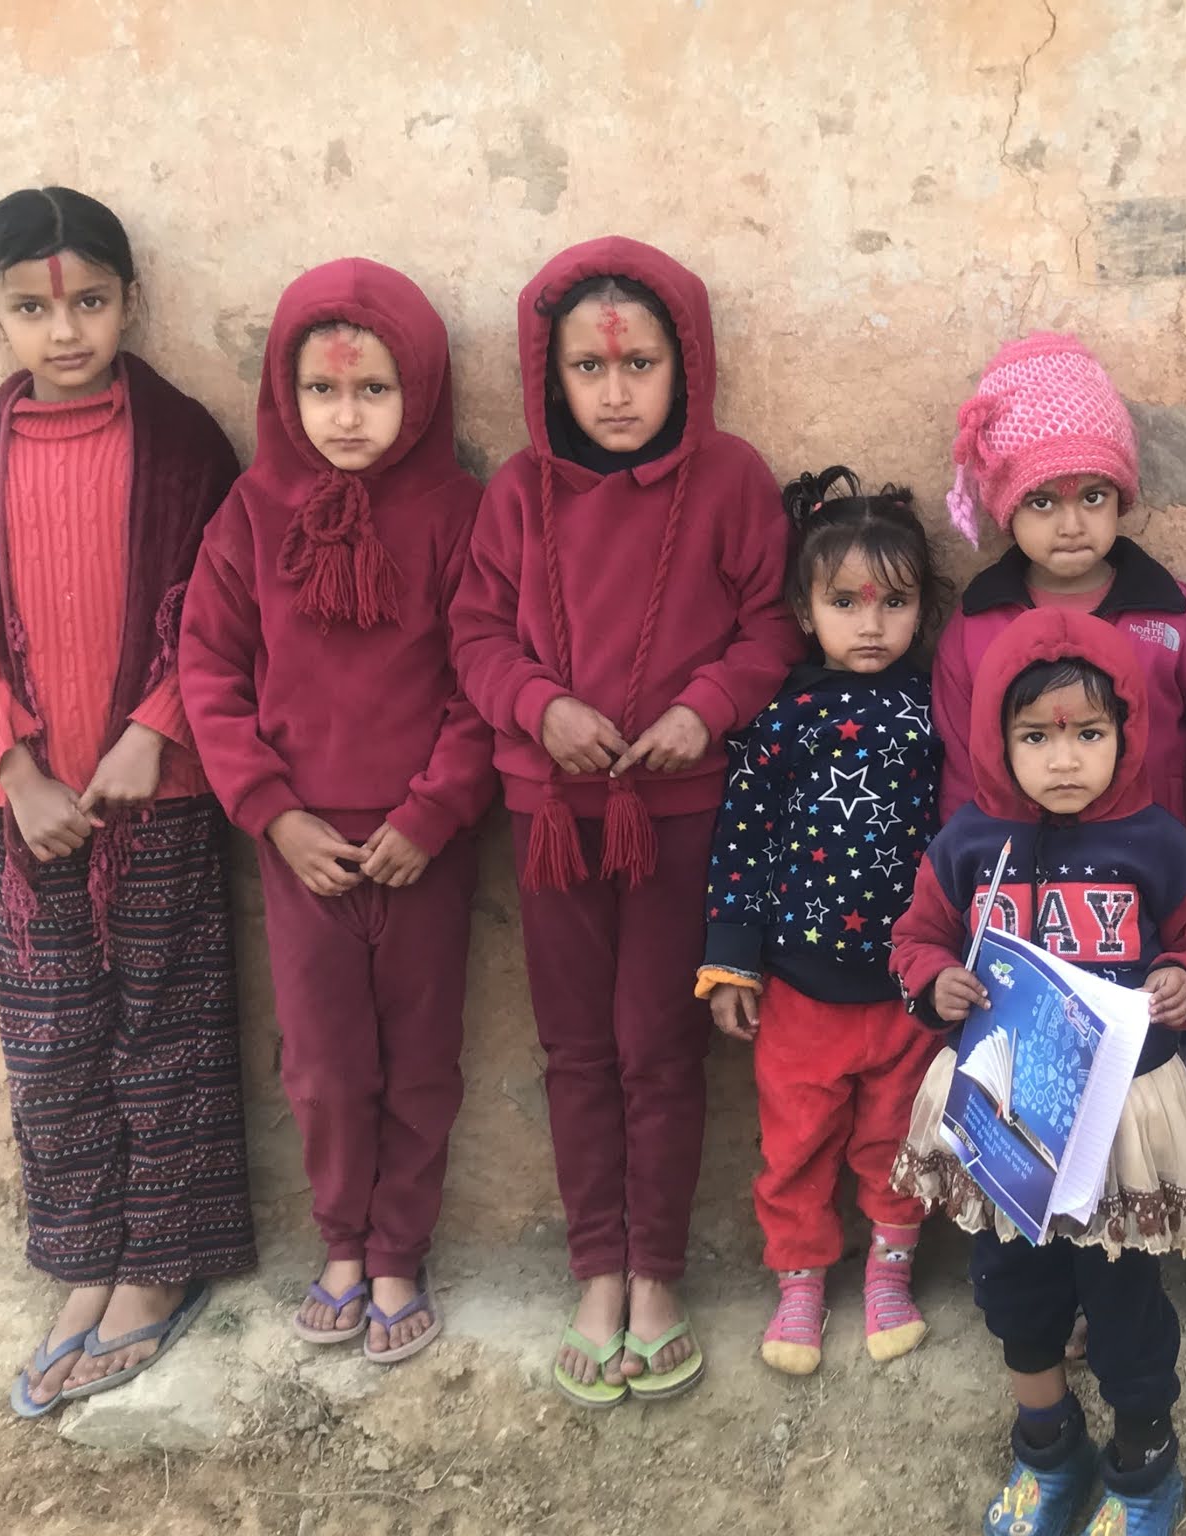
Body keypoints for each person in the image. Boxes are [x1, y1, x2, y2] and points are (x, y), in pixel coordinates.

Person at [450, 236, 801, 1407]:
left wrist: (706, 711)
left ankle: (656, 1275)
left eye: (639, 365)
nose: (613, 393)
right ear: (548, 375)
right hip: (553, 813)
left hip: (680, 813)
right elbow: (475, 634)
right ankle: (594, 1269)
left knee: (659, 1046)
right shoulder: (516, 493)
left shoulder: (732, 481)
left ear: (684, 364)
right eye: (588, 369)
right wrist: (537, 708)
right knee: (575, 1049)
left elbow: (770, 625)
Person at [181, 258, 495, 1363]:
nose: (346, 416)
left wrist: (432, 813)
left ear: (422, 391)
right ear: (286, 392)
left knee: (421, 1058)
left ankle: (400, 1250)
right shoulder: (251, 514)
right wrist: (273, 814)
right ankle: (343, 1247)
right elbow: (208, 671)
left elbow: (480, 674)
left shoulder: (457, 514)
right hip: (300, 845)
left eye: (373, 390)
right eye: (321, 390)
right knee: (322, 1065)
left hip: (422, 845)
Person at [0, 187, 253, 1416]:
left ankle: (159, 1267)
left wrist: (157, 729)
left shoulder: (186, 444)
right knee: (51, 1044)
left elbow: (219, 607)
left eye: (90, 301)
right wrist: (13, 768)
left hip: (162, 792)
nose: (65, 330)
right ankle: (85, 1258)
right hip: (31, 805)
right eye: (32, 309)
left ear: (130, 301)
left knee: (165, 1029)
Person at [891, 607, 1186, 1536]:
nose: (1062, 760)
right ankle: (1048, 1452)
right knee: (1013, 1286)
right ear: (993, 739)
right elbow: (915, 938)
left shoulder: (1155, 841)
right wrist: (935, 981)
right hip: (1006, 1111)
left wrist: (1185, 978)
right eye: (1035, 737)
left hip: (1118, 1118)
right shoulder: (969, 844)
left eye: (1088, 734)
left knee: (1122, 1295)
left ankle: (1144, 1469)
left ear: (1127, 731)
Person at [695, 465, 946, 1374]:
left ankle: (889, 1273)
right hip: (799, 989)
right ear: (805, 611)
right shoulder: (781, 718)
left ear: (922, 610)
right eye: (845, 602)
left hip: (908, 988)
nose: (870, 625)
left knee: (897, 1140)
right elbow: (742, 839)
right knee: (795, 1145)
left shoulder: (934, 713)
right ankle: (799, 1282)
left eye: (894, 602)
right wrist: (732, 960)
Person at [934, 332, 1186, 866]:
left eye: (1093, 496)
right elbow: (961, 780)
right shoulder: (978, 628)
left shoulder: (1175, 617)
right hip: (1027, 887)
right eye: (1042, 502)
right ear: (1006, 508)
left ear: (1120, 497)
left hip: (1162, 879)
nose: (1071, 525)